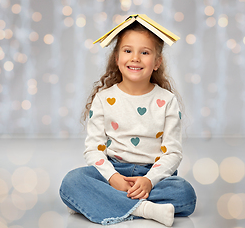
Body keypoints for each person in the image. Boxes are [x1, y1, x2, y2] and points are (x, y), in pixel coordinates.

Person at [59, 15, 196, 226]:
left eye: (145, 52)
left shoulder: (166, 100)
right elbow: (93, 150)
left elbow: (173, 153)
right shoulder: (104, 99)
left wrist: (149, 181)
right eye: (128, 50)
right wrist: (113, 178)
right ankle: (144, 209)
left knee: (184, 194)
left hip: (152, 174)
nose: (135, 58)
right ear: (116, 58)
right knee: (72, 182)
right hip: (113, 172)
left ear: (157, 62)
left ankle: (98, 201)